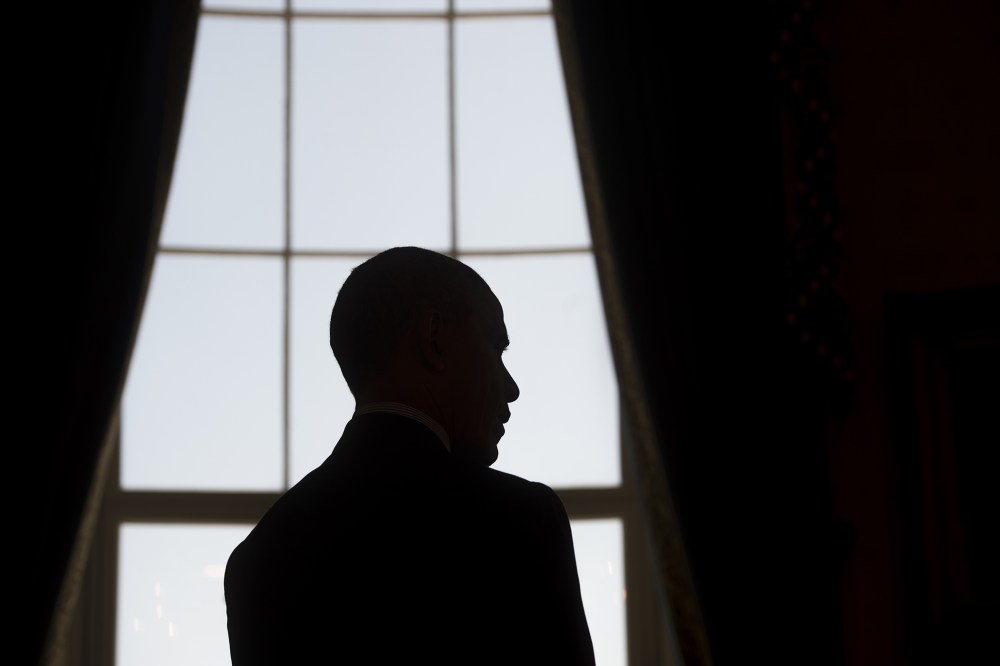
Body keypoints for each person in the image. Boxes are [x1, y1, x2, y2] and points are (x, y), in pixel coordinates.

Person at [224, 246, 596, 665]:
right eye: (497, 349)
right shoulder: (521, 520)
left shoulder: (257, 562)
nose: (511, 388)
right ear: (433, 339)